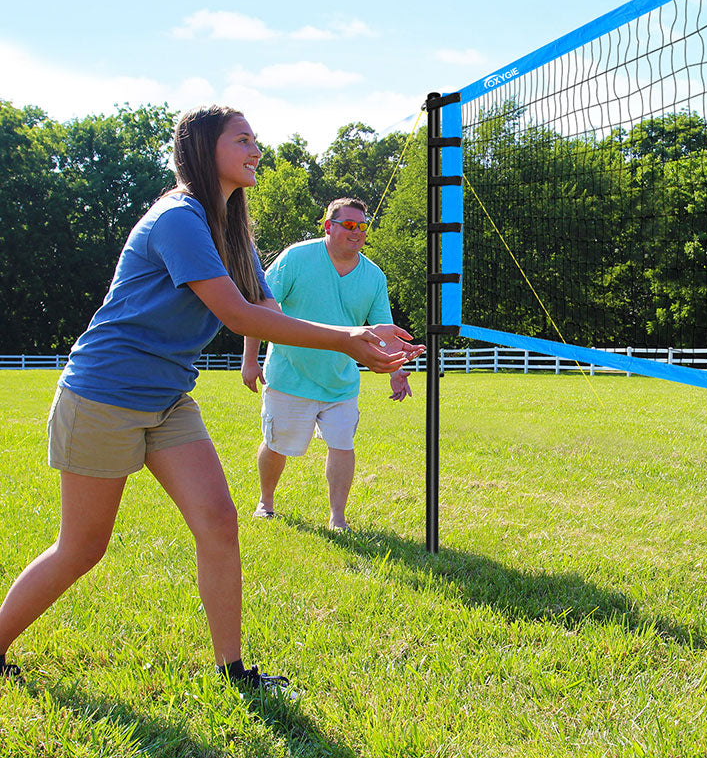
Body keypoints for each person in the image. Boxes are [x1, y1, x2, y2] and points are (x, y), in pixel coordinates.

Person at [0, 105, 418, 690]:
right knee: (83, 547)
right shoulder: (178, 218)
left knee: (219, 522)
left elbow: (266, 309)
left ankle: (233, 671)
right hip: (104, 394)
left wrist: (361, 336)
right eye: (242, 139)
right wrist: (348, 340)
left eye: (255, 140)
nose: (256, 150)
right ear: (203, 147)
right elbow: (236, 315)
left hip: (169, 397)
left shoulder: (231, 229)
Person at [241, 197, 411, 532]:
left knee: (343, 445)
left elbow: (384, 330)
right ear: (328, 227)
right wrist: (250, 360)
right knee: (277, 444)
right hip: (290, 375)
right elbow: (259, 307)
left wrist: (396, 370)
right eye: (349, 225)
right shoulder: (296, 257)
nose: (357, 232)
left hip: (341, 381)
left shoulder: (374, 276)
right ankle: (266, 503)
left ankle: (338, 518)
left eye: (362, 226)